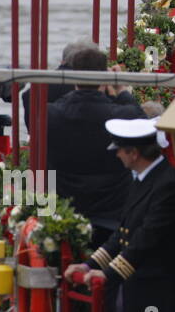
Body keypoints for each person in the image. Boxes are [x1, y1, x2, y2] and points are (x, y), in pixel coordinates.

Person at [65, 118, 175, 312]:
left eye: (119, 150)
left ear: (134, 153)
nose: (117, 156)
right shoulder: (143, 180)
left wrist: (109, 275)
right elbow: (123, 233)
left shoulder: (167, 184)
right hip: (145, 295)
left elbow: (147, 238)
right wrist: (89, 266)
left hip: (160, 300)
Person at [46, 44, 145, 246]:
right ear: (105, 76)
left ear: (73, 76)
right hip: (114, 213)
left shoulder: (51, 114)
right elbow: (141, 122)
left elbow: (28, 96)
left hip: (64, 209)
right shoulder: (120, 115)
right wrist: (120, 89)